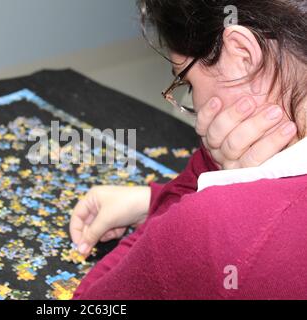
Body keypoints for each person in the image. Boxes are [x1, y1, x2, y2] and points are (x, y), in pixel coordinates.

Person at [71, 0, 307, 299]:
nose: (193, 105)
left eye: (187, 82)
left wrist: (213, 174)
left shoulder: (213, 230)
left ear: (243, 57)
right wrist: (152, 200)